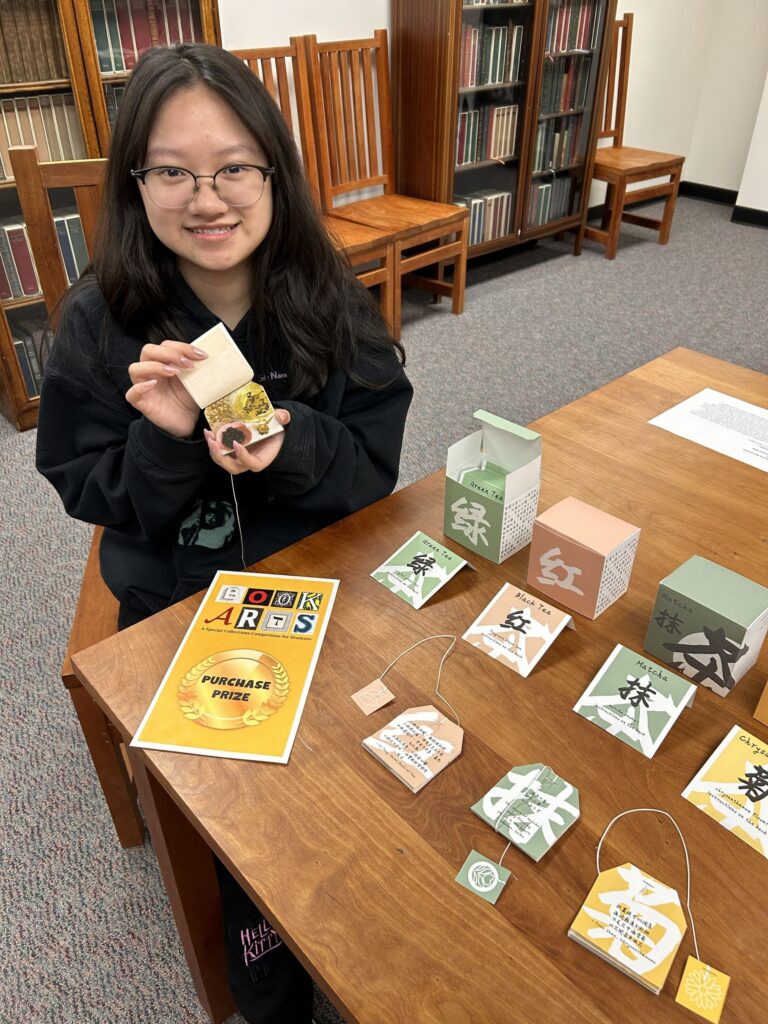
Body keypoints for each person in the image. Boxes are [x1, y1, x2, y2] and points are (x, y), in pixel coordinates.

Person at [36, 42, 412, 1024]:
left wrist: (289, 444)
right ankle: (260, 934)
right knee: (237, 785)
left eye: (236, 166)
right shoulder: (98, 319)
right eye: (172, 169)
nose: (208, 197)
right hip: (177, 595)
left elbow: (373, 468)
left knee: (388, 736)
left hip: (317, 573)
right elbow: (86, 487)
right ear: (135, 182)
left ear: (274, 173)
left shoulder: (327, 295)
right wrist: (165, 444)